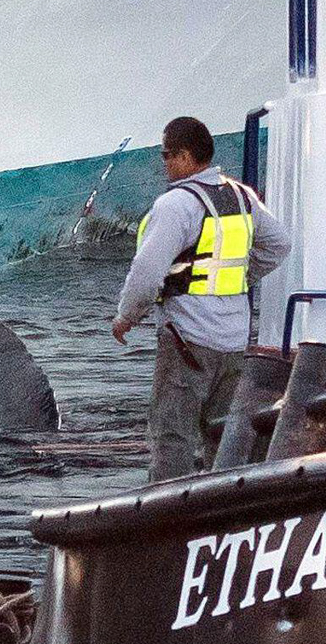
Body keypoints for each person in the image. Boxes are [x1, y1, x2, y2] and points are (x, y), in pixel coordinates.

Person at [112, 117, 291, 481]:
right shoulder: (242, 196)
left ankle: (167, 518)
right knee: (223, 436)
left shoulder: (176, 205)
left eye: (166, 155)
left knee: (172, 437)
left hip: (187, 341)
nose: (163, 163)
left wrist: (127, 317)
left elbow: (146, 274)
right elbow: (278, 245)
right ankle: (222, 516)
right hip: (234, 341)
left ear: (184, 155)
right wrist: (237, 280)